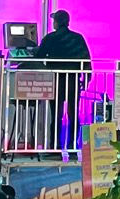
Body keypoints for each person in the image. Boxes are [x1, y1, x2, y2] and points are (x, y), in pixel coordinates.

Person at [33, 10, 91, 150]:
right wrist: (87, 78)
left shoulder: (50, 38)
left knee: (56, 114)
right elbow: (87, 59)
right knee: (73, 113)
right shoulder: (78, 38)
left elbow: (38, 56)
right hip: (73, 80)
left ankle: (55, 146)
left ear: (57, 22)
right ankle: (72, 146)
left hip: (56, 80)